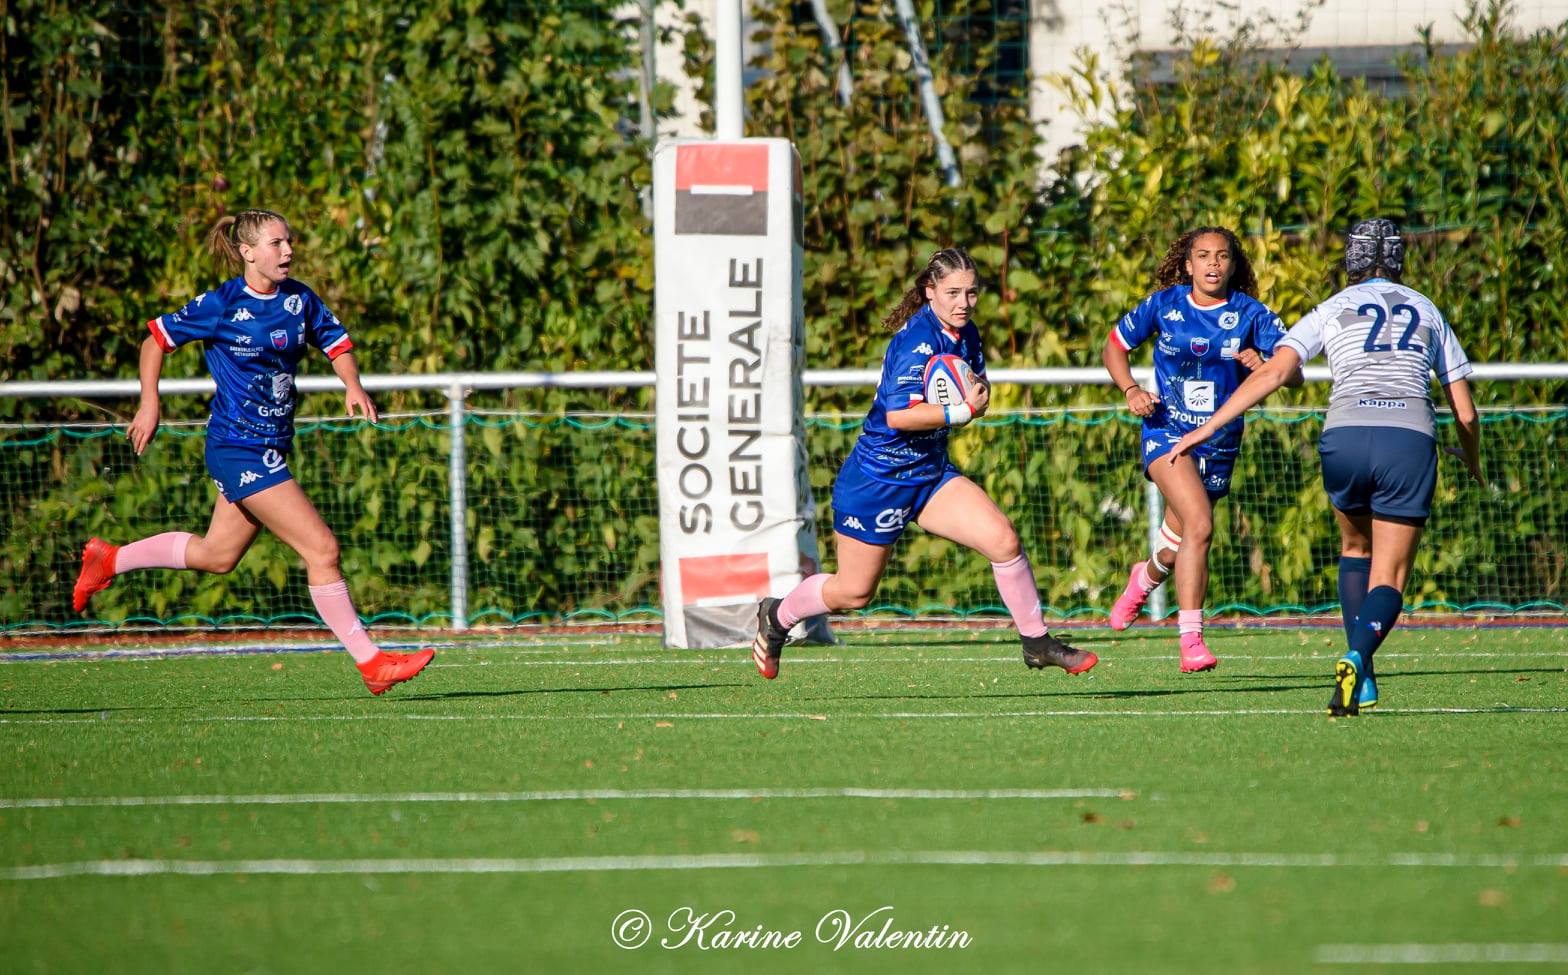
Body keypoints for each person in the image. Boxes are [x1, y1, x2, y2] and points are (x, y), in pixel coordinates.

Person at [71, 208, 435, 697]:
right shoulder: (220, 304)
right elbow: (154, 341)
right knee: (322, 549)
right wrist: (150, 403)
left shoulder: (299, 299)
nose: (288, 251)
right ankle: (372, 663)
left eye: (289, 241)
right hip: (237, 448)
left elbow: (336, 343)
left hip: (270, 446)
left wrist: (352, 384)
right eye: (276, 243)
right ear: (247, 252)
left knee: (217, 555)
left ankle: (110, 560)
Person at [1170, 218, 1483, 715]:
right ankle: (1358, 656)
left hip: (1345, 439)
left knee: (1354, 549)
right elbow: (1464, 413)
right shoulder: (1427, 309)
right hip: (1408, 441)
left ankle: (1364, 683)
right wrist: (1473, 458)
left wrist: (1207, 427)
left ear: (1351, 260)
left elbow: (1275, 372)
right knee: (1390, 574)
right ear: (1399, 260)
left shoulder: (1332, 307)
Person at [751, 248, 1097, 679]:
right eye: (953, 293)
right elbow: (899, 416)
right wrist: (961, 411)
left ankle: (1037, 642)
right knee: (854, 592)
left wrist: (976, 398)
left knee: (1003, 541)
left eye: (971, 293)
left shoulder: (966, 333)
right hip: (878, 478)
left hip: (930, 473)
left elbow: (974, 390)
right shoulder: (917, 340)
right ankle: (777, 616)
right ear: (930, 291)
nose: (964, 303)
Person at [1102, 227, 1299, 672]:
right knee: (1200, 523)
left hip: (1220, 442)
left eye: (1222, 256)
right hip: (1167, 431)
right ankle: (1191, 640)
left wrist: (1266, 364)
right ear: (1188, 264)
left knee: (1178, 545)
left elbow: (1296, 375)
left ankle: (1144, 577)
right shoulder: (1164, 305)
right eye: (1204, 255)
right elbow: (1114, 346)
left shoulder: (1252, 314)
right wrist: (1131, 389)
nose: (1213, 263)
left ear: (1233, 265)